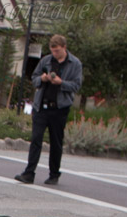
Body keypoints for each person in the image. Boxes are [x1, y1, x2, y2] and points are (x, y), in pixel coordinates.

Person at [15, 34, 83, 186]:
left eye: (57, 51)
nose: (55, 54)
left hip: (59, 108)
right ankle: (29, 173)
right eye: (53, 51)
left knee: (56, 142)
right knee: (36, 139)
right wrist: (43, 79)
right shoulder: (46, 60)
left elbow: (76, 85)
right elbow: (34, 78)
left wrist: (61, 83)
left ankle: (54, 174)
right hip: (41, 106)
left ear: (64, 48)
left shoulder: (75, 64)